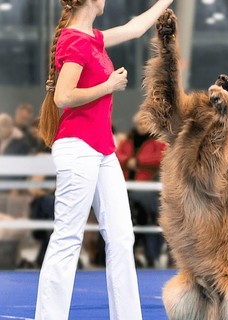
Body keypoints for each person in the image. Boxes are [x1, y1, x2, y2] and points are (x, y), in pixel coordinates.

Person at [34, 0, 173, 319]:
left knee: (123, 237)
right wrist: (108, 85)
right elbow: (63, 97)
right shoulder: (74, 41)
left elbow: (135, 27)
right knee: (68, 237)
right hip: (77, 148)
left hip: (102, 151)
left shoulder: (92, 38)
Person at [116, 119, 166, 268]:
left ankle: (149, 254)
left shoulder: (158, 142)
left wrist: (137, 162)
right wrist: (128, 161)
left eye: (145, 123)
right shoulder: (127, 142)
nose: (142, 126)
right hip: (125, 186)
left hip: (146, 189)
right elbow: (116, 156)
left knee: (146, 214)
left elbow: (161, 158)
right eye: (139, 123)